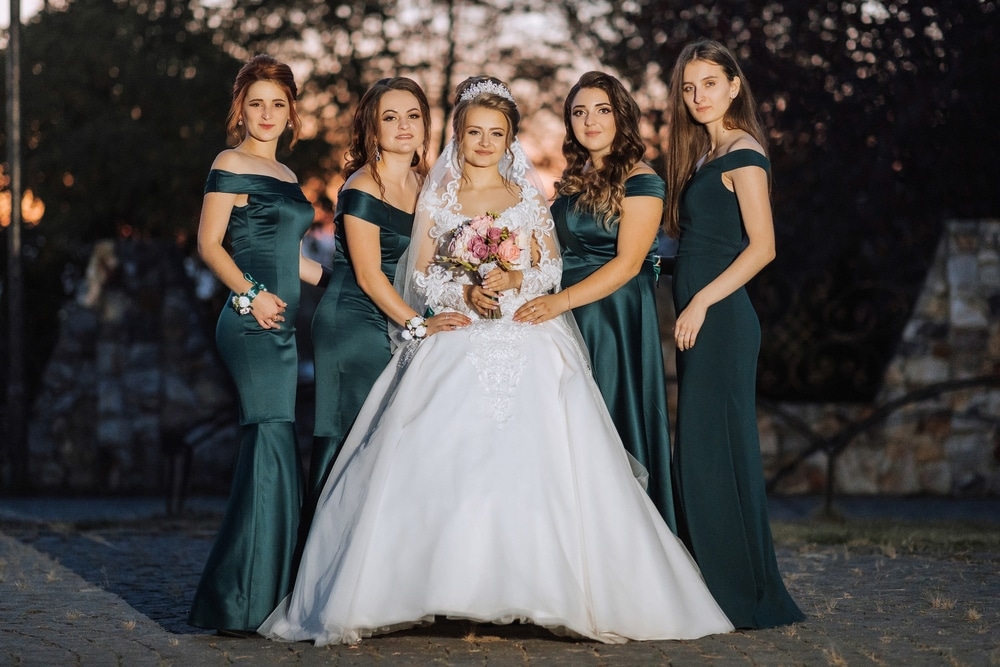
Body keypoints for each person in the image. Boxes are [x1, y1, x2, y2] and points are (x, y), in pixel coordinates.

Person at [258, 76, 733, 646]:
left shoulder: (527, 196)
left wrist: (513, 281)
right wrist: (463, 293)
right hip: (458, 327)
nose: (484, 142)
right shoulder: (438, 196)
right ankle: (434, 586)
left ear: (510, 139)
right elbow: (423, 271)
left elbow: (548, 268)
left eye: (497, 133)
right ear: (458, 133)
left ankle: (542, 587)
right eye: (474, 131)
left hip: (522, 327)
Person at [664, 39, 805, 629]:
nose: (698, 97)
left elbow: (764, 247)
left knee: (715, 450)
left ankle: (740, 593)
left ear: (734, 85)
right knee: (701, 451)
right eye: (689, 87)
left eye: (709, 84)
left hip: (720, 320)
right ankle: (709, 582)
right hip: (702, 316)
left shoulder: (744, 153)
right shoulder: (703, 155)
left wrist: (698, 301)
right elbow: (698, 244)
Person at [188, 54, 325, 634]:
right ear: (239, 109)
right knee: (270, 438)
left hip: (283, 325)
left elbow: (291, 259)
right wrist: (251, 296)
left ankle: (267, 590)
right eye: (256, 103)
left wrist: (353, 280)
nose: (267, 114)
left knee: (273, 441)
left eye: (278, 104)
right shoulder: (230, 162)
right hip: (249, 322)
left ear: (291, 112)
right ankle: (242, 600)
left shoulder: (290, 178)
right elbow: (210, 246)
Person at [514, 71, 676, 530]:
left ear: (621, 116)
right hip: (565, 311)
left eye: (601, 110)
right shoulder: (572, 180)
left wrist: (558, 302)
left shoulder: (642, 180)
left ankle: (628, 536)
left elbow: (627, 264)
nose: (590, 121)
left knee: (609, 415)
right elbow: (547, 250)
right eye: (579, 112)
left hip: (612, 314)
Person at [306, 77, 462, 499]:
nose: (403, 126)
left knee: (391, 441)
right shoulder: (361, 187)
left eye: (413, 116)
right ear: (372, 128)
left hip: (404, 321)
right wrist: (421, 327)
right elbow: (369, 276)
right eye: (389, 117)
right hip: (354, 324)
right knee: (351, 436)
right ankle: (317, 556)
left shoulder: (425, 183)